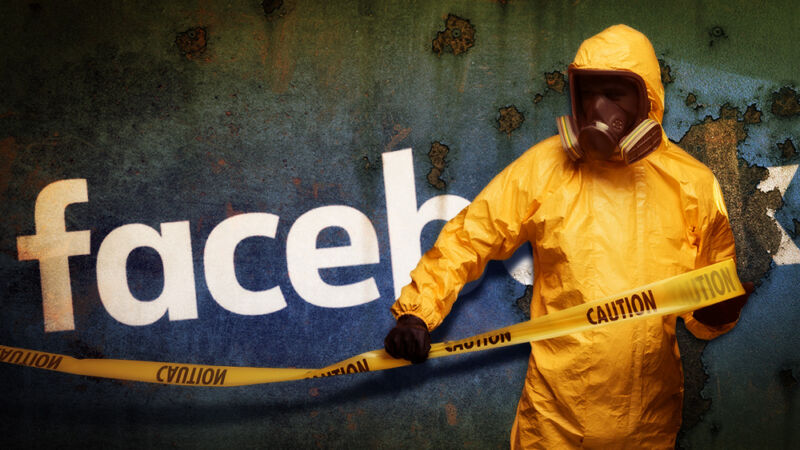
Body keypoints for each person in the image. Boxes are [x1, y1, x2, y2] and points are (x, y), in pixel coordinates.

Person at [384, 24, 753, 448]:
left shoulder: (691, 184)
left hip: (648, 428)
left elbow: (708, 302)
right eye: (588, 93)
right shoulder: (543, 171)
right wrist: (417, 310)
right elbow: (471, 237)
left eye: (615, 94)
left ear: (648, 100)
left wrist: (717, 311)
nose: (599, 108)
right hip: (553, 427)